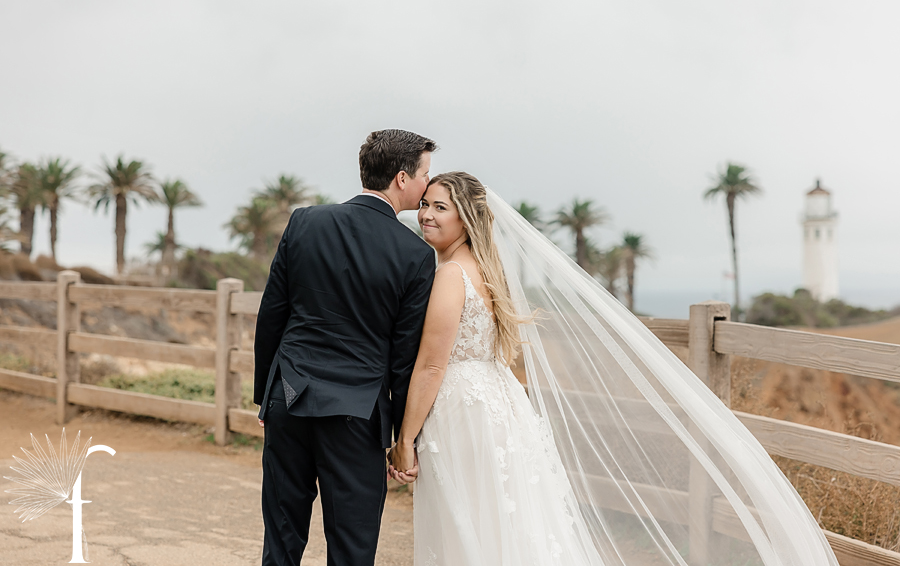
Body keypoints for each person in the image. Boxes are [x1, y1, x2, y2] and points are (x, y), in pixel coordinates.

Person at [388, 172, 839, 565]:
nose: (426, 214)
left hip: (463, 409)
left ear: (465, 217)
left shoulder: (450, 275)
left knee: (470, 519)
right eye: (425, 204)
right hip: (498, 401)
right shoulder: (486, 269)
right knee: (502, 519)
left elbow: (431, 366)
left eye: (440, 207)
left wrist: (404, 440)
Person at [254, 129, 437, 566]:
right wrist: (400, 436)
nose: (428, 184)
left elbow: (271, 316)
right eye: (425, 175)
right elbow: (403, 357)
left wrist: (266, 397)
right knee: (352, 549)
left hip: (289, 399)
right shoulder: (415, 254)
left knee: (280, 539)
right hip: (356, 415)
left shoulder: (304, 221)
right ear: (400, 178)